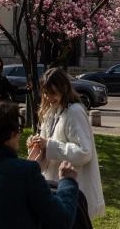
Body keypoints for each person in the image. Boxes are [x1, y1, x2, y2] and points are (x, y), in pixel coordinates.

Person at [0, 100, 79, 229]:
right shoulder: (26, 172)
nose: (19, 134)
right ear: (9, 135)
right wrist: (67, 181)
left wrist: (26, 167)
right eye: (18, 129)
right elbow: (62, 220)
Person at [27, 67, 105, 219]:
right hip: (54, 185)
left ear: (63, 89)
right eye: (46, 93)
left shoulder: (74, 112)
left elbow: (84, 152)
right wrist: (37, 143)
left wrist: (49, 145)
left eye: (53, 93)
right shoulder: (51, 111)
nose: (49, 98)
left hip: (73, 184)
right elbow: (47, 141)